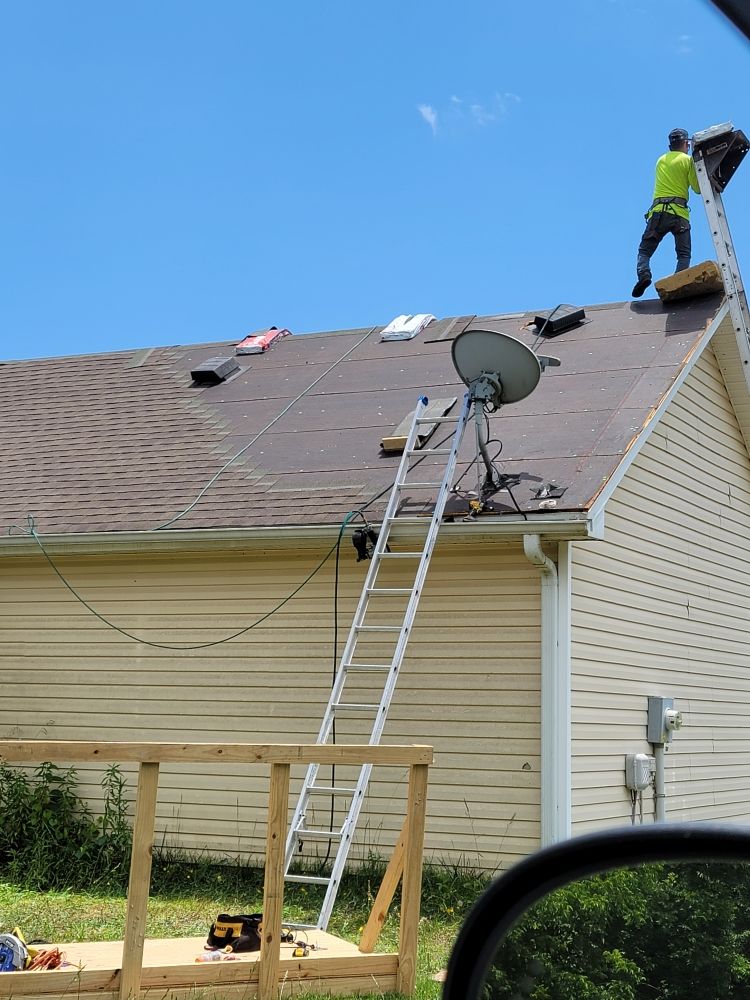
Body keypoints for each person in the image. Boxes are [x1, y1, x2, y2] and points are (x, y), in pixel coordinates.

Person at [632, 128, 700, 297]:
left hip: (658, 213)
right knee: (683, 254)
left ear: (671, 145)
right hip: (680, 214)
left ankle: (644, 275)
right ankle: (679, 284)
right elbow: (698, 189)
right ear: (686, 143)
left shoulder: (660, 160)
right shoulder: (688, 160)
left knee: (645, 251)